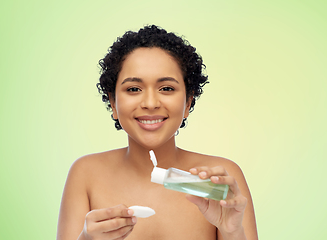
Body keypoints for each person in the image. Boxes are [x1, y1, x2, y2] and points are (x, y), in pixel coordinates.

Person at [57, 25, 258, 240]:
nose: (151, 103)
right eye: (133, 89)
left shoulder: (219, 182)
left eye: (167, 88)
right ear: (114, 103)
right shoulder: (86, 174)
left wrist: (232, 230)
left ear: (188, 102)